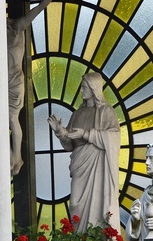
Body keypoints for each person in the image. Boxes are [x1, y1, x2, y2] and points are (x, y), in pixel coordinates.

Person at [48, 72, 120, 231]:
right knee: (75, 204)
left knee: (97, 207)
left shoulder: (106, 112)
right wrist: (60, 132)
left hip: (97, 168)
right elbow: (70, 145)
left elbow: (114, 138)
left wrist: (87, 134)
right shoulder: (78, 113)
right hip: (80, 166)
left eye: (84, 87)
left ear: (94, 88)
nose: (81, 90)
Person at [8, 0, 65, 175]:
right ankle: (11, 156)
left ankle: (17, 157)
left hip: (14, 81)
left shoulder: (17, 26)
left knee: (11, 118)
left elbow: (39, 8)